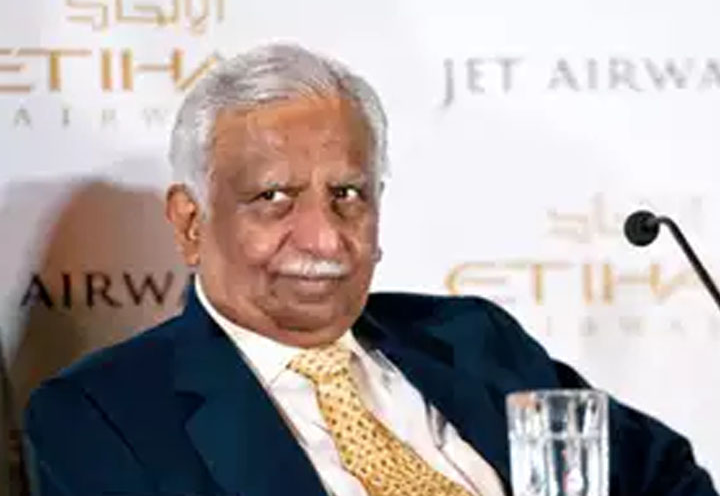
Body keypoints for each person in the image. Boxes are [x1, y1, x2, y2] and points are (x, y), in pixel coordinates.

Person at [22, 44, 717, 496]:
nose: (325, 236)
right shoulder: (106, 415)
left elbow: (668, 481)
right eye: (274, 198)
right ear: (190, 222)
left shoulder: (472, 338)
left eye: (348, 194)